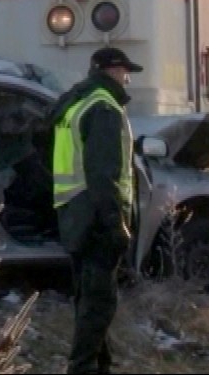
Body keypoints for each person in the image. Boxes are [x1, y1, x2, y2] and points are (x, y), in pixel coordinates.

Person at [48, 46, 141, 375]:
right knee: (98, 304)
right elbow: (104, 173)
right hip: (97, 217)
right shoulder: (103, 107)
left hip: (73, 213)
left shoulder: (73, 102)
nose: (127, 78)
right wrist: (117, 223)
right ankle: (83, 367)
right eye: (124, 71)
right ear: (111, 70)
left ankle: (99, 366)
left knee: (88, 300)